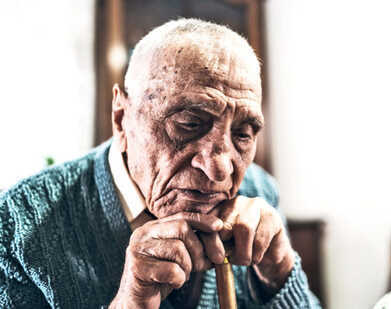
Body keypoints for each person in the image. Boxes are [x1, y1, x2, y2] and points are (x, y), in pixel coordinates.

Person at [0, 18, 320, 308]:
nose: (221, 169)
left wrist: (280, 274)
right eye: (189, 124)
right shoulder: (16, 227)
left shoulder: (258, 190)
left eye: (243, 133)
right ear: (121, 117)